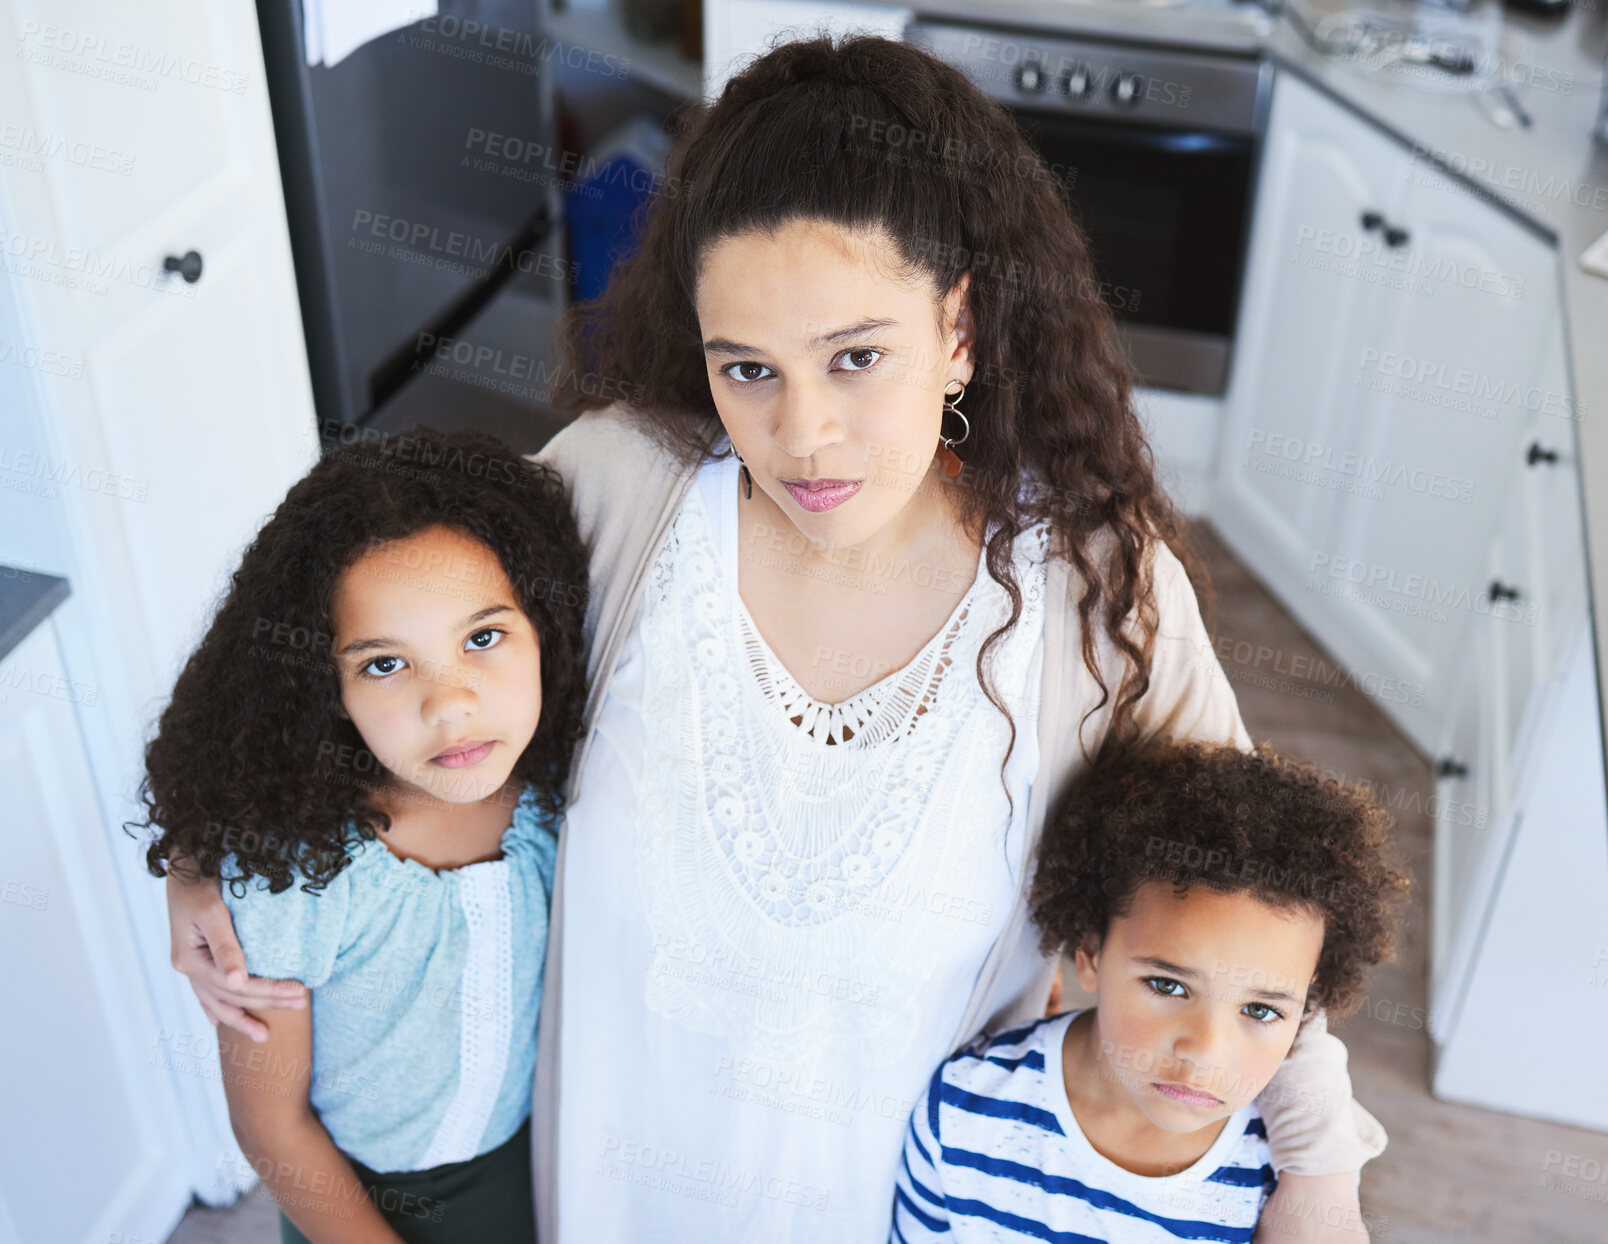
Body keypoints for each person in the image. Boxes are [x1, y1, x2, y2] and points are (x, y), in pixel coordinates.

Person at [161, 33, 1388, 1243]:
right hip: (600, 1199)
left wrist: (1320, 1178)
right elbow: (384, 659)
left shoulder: (1100, 594)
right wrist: (210, 853)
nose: (804, 435)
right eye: (747, 368)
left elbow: (1253, 902)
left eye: (857, 358)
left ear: (958, 327)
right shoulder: (617, 492)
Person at [133, 427, 587, 1243]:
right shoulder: (299, 875)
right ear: (325, 687)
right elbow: (271, 1128)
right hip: (352, 1209)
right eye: (384, 664)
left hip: (540, 1170)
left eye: (483, 638)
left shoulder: (560, 793)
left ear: (542, 627)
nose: (448, 705)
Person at [892, 739, 1411, 1242]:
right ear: (1091, 955)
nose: (1205, 1051)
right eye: (1167, 984)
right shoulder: (964, 1108)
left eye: (1259, 1009)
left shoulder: (1280, 1174)